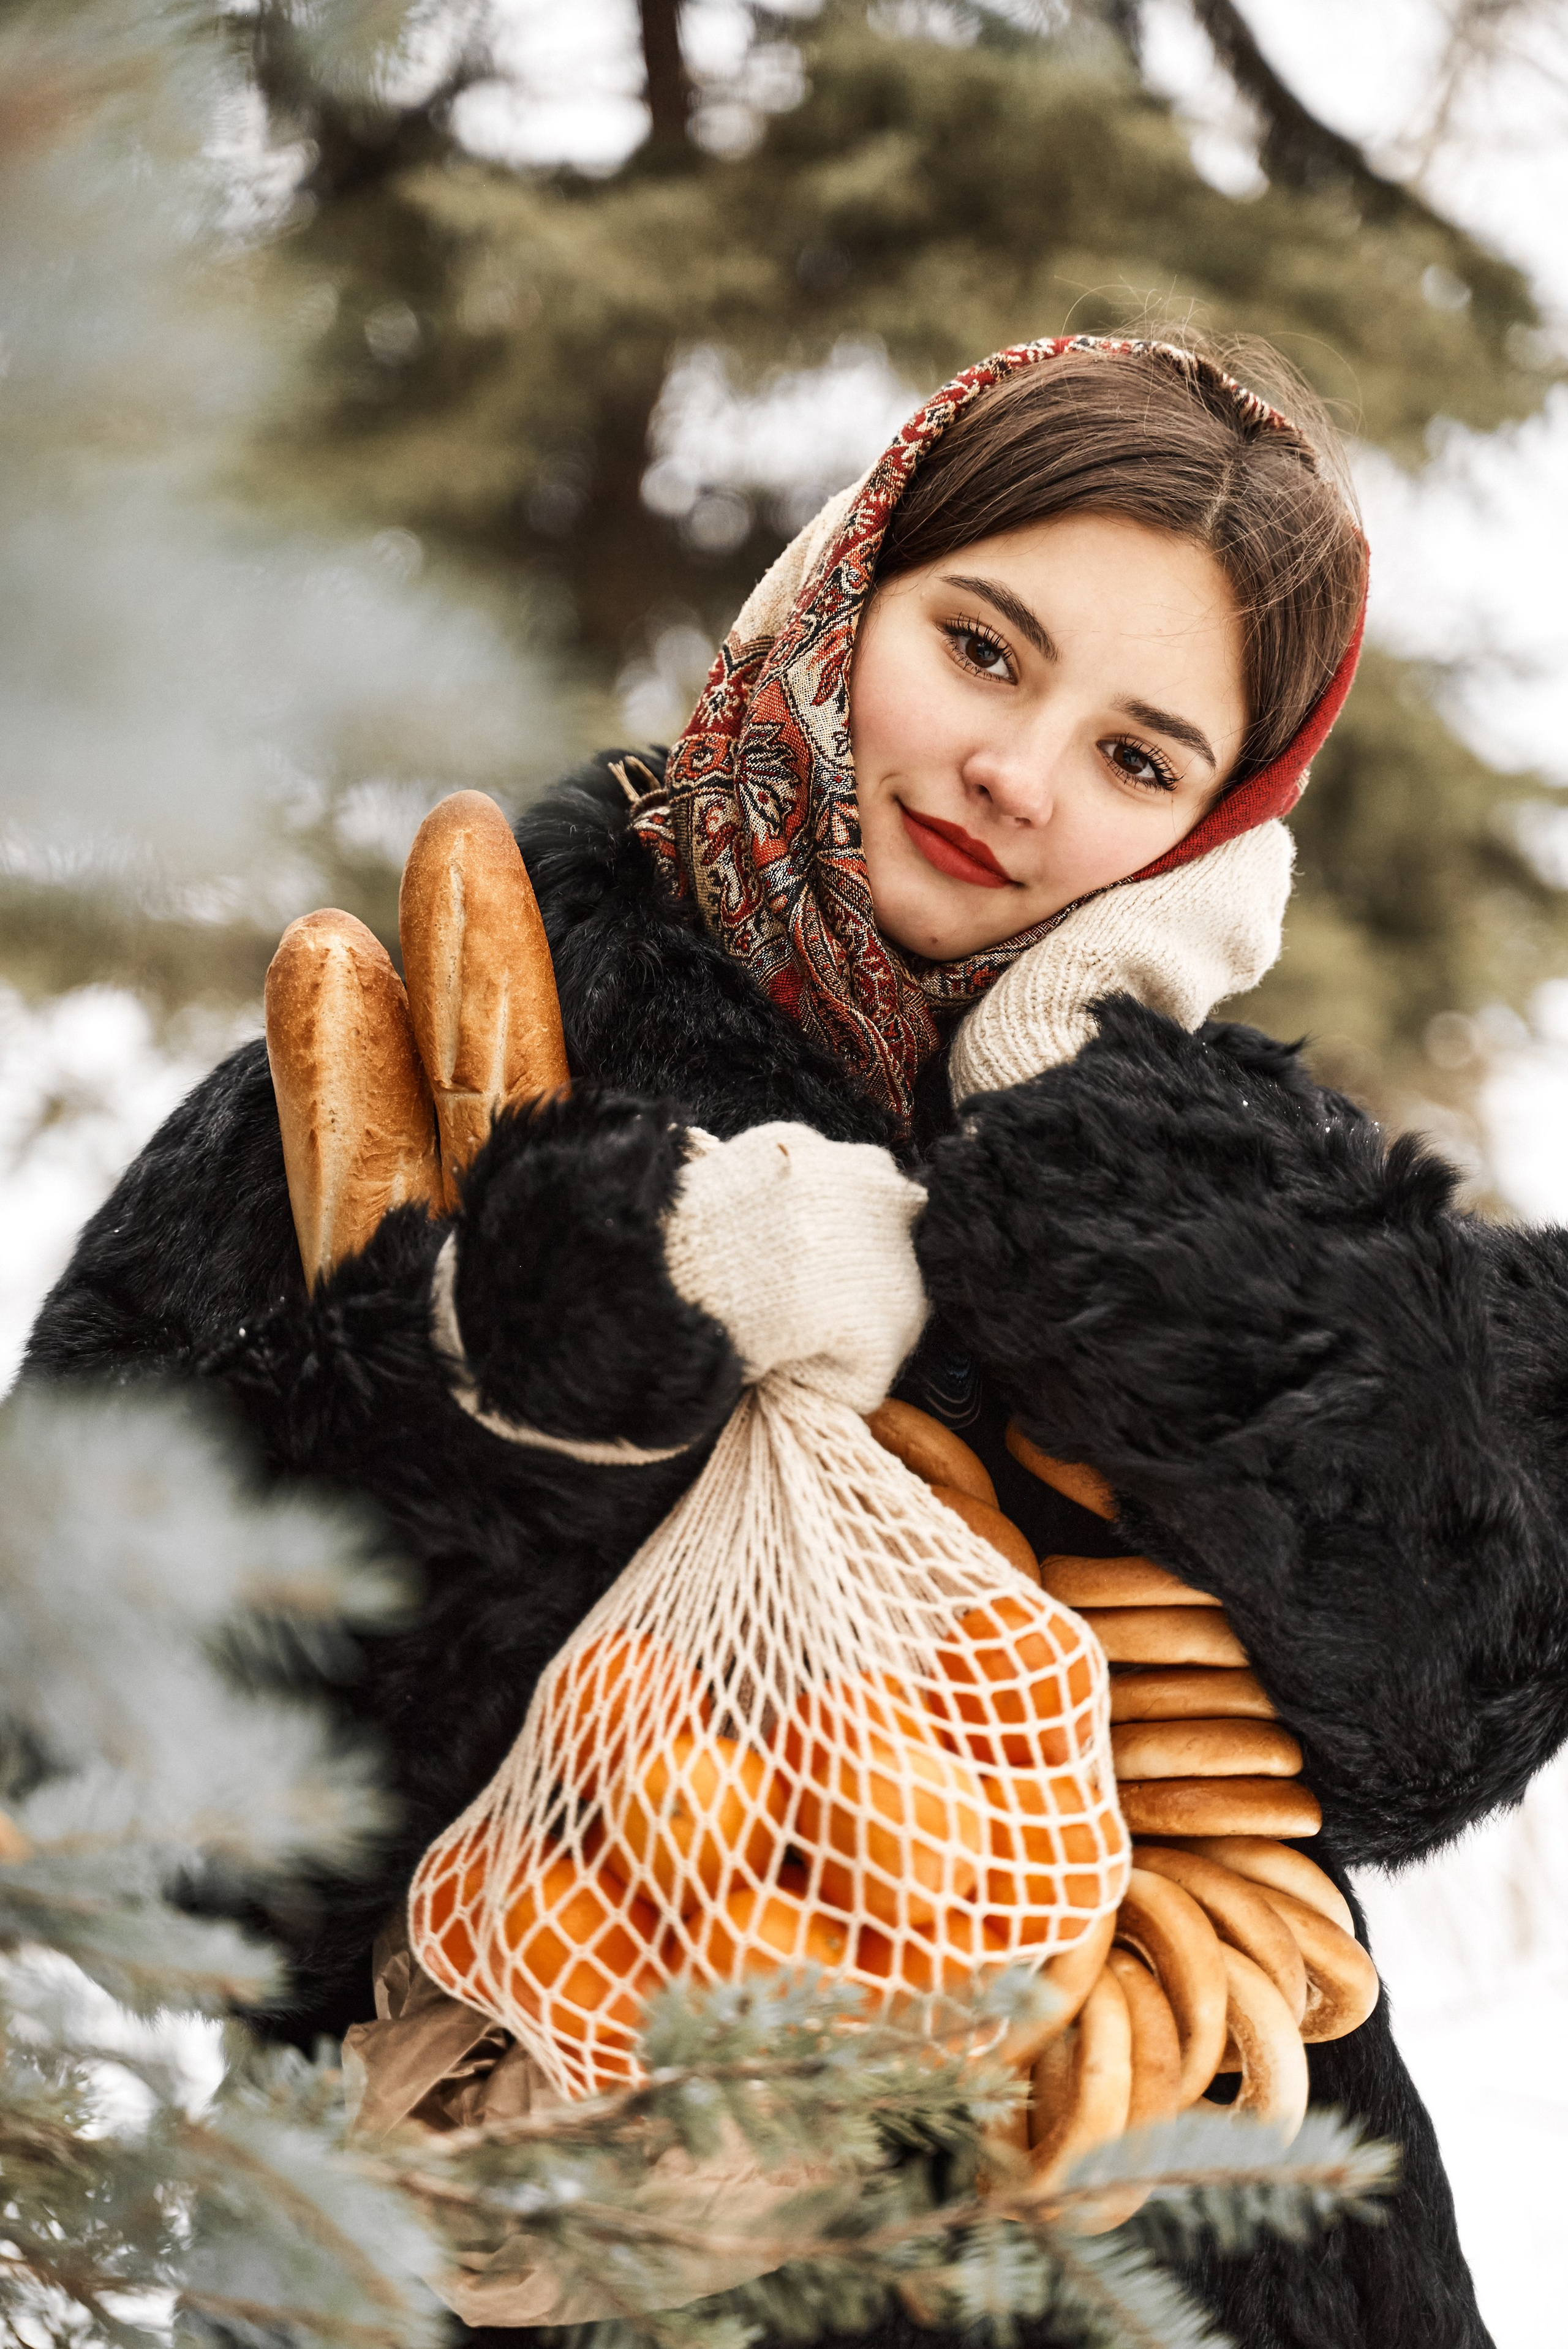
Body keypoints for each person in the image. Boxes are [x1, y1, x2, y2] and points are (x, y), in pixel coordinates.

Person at [25, 334, 1548, 2349]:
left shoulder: (1205, 1147)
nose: (1023, 776)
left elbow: (1448, 1692)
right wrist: (562, 1376)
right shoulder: (423, 1068)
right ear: (842, 591)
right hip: (606, 2273)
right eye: (987, 651)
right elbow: (107, 1777)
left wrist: (1083, 1151)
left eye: (1141, 759)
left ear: (1217, 837)